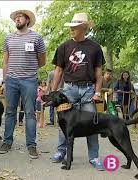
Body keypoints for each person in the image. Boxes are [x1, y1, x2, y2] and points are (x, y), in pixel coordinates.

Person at [50, 13, 105, 171]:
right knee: (63, 122)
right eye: (71, 27)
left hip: (88, 89)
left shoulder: (95, 47)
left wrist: (98, 92)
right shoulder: (64, 47)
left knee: (93, 123)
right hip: (69, 89)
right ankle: (61, 152)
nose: (71, 29)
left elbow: (98, 72)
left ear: (84, 28)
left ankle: (94, 157)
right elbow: (58, 71)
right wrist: (53, 92)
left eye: (74, 27)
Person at [0, 9, 46, 159]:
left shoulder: (37, 37)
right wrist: (5, 81)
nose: (17, 19)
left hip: (30, 81)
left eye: (20, 17)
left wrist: (29, 70)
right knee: (10, 112)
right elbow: (5, 61)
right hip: (11, 80)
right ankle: (7, 142)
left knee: (30, 113)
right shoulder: (8, 39)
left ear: (27, 20)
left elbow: (42, 61)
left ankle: (31, 145)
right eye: (16, 18)